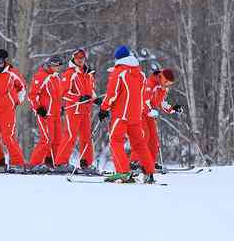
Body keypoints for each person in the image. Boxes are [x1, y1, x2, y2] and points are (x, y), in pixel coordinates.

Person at [98, 45, 156, 183]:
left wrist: (104, 108)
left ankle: (123, 172)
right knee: (139, 144)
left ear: (118, 58)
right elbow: (142, 94)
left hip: (121, 115)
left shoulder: (119, 72)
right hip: (135, 115)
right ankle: (149, 173)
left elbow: (112, 94)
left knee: (116, 141)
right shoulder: (140, 74)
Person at [54, 49, 101, 174]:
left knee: (87, 137)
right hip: (74, 109)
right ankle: (60, 162)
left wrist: (95, 99)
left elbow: (91, 91)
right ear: (73, 59)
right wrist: (78, 98)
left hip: (86, 110)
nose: (80, 59)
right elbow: (64, 93)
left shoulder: (88, 73)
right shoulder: (70, 73)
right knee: (70, 135)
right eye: (77, 57)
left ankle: (86, 163)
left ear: (85, 58)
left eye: (82, 57)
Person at [130, 68, 182, 171]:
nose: (167, 84)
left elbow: (161, 103)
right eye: (166, 81)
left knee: (154, 139)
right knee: (144, 136)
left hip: (150, 114)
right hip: (140, 112)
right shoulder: (150, 84)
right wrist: (150, 111)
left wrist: (172, 109)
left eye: (169, 83)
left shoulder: (162, 88)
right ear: (161, 76)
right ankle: (133, 162)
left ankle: (150, 162)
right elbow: (144, 101)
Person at [27, 55, 64, 174]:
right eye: (55, 65)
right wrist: (38, 108)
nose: (57, 67)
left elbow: (57, 96)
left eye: (59, 65)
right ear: (49, 65)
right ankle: (34, 164)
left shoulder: (56, 78)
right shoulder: (41, 76)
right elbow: (32, 95)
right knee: (47, 139)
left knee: (57, 139)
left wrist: (61, 107)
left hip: (56, 114)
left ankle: (52, 162)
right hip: (45, 114)